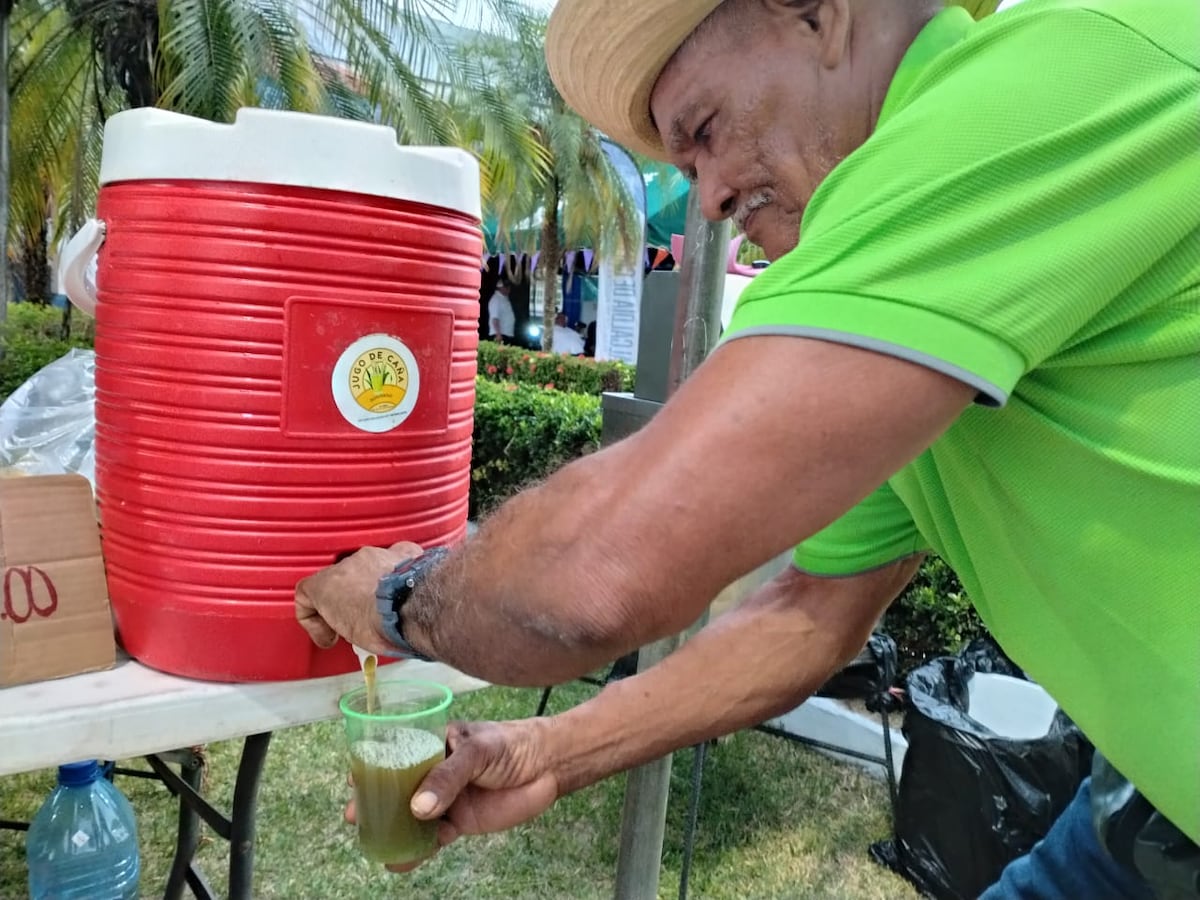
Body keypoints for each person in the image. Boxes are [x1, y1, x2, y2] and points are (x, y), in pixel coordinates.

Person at [295, 0, 1199, 894]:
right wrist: (547, 746)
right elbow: (808, 613)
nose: (712, 197)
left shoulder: (1045, 88)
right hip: (1140, 812)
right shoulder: (939, 304)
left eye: (704, 129)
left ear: (815, 12)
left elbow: (595, 570)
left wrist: (389, 595)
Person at [486, 280, 515, 344]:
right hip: (500, 334)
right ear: (500, 288)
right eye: (506, 287)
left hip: (506, 333)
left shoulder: (504, 298)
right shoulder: (496, 299)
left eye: (508, 287)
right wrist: (498, 334)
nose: (508, 289)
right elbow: (495, 318)